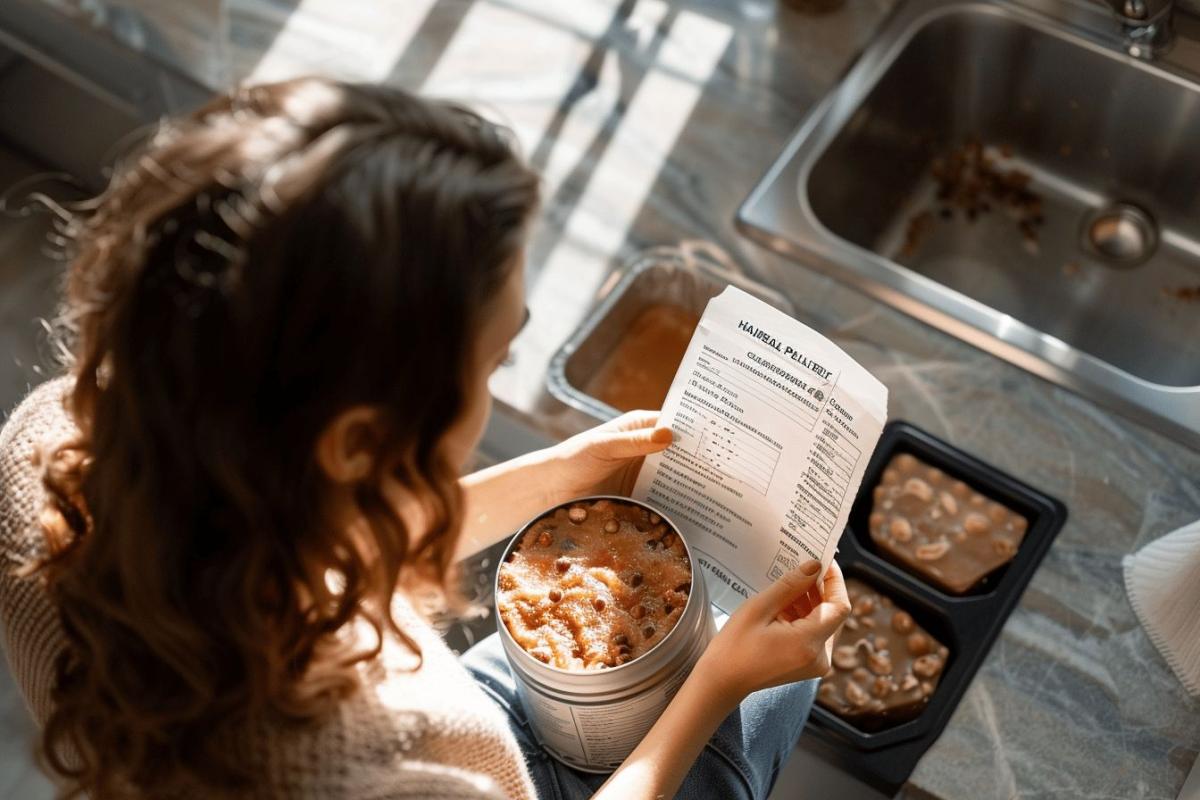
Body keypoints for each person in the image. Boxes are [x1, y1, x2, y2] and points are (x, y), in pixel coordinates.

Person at [0, 77, 850, 800]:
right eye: (490, 364)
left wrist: (560, 474)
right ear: (356, 443)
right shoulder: (396, 751)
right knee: (776, 687)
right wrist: (717, 683)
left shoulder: (49, 447)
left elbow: (285, 527)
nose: (488, 393)